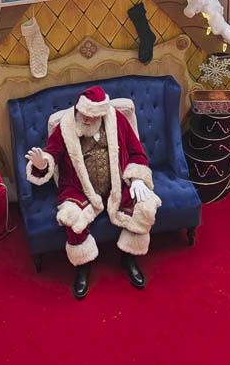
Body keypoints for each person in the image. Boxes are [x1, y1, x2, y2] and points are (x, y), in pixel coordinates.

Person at [25, 85, 160, 299]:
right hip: (79, 188)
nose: (86, 120)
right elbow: (51, 153)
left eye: (92, 116)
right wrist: (42, 164)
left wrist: (137, 179)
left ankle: (129, 257)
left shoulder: (118, 121)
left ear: (102, 113)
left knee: (143, 207)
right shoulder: (66, 126)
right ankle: (83, 267)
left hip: (118, 184)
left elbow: (137, 152)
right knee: (73, 218)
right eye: (84, 114)